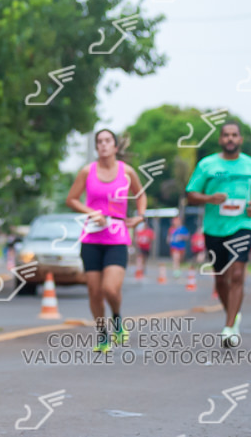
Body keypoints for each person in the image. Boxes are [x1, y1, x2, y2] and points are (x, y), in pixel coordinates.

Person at [185, 121, 251, 348]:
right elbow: (191, 194)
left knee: (237, 274)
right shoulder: (207, 165)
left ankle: (229, 328)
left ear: (240, 139)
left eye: (234, 135)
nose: (230, 138)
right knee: (220, 278)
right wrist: (209, 199)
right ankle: (233, 314)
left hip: (242, 225)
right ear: (221, 139)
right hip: (214, 228)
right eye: (226, 135)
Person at [65, 129, 146, 352]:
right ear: (96, 147)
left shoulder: (126, 171)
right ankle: (102, 335)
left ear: (115, 147)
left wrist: (140, 216)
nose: (103, 145)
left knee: (110, 289)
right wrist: (91, 212)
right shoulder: (87, 171)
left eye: (107, 141)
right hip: (92, 237)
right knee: (94, 291)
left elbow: (140, 194)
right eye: (99, 141)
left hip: (117, 237)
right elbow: (71, 199)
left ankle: (117, 320)